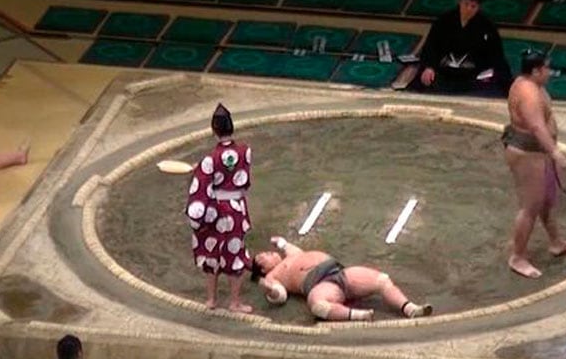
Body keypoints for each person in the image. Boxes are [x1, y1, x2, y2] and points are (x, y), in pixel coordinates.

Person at [501, 50, 566, 279]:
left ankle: (556, 242)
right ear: (536, 71)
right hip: (527, 152)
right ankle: (517, 257)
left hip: (537, 151)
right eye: (546, 68)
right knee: (530, 207)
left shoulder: (534, 85)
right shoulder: (528, 93)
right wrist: (555, 153)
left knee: (545, 200)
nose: (550, 72)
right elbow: (536, 127)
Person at [251, 236, 433, 321]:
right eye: (264, 256)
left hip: (339, 271)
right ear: (263, 267)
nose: (269, 253)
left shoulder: (292, 255)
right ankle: (357, 315)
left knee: (382, 280)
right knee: (318, 306)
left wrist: (280, 242)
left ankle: (410, 308)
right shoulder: (273, 276)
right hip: (322, 285)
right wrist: (267, 287)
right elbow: (279, 295)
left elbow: (288, 246)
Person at [185, 103, 254, 313]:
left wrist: (199, 171)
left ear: (213, 129)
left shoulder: (209, 159)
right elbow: (243, 180)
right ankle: (234, 302)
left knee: (212, 250)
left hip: (215, 210)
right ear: (231, 127)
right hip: (236, 209)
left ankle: (211, 300)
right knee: (235, 251)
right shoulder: (245, 151)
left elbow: (201, 187)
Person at [412, 0, 512, 96]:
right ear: (460, 3)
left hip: (473, 75)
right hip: (444, 72)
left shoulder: (487, 26)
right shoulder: (443, 21)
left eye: (473, 6)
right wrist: (429, 67)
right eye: (466, 4)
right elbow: (431, 46)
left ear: (478, 7)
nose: (469, 9)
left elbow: (496, 54)